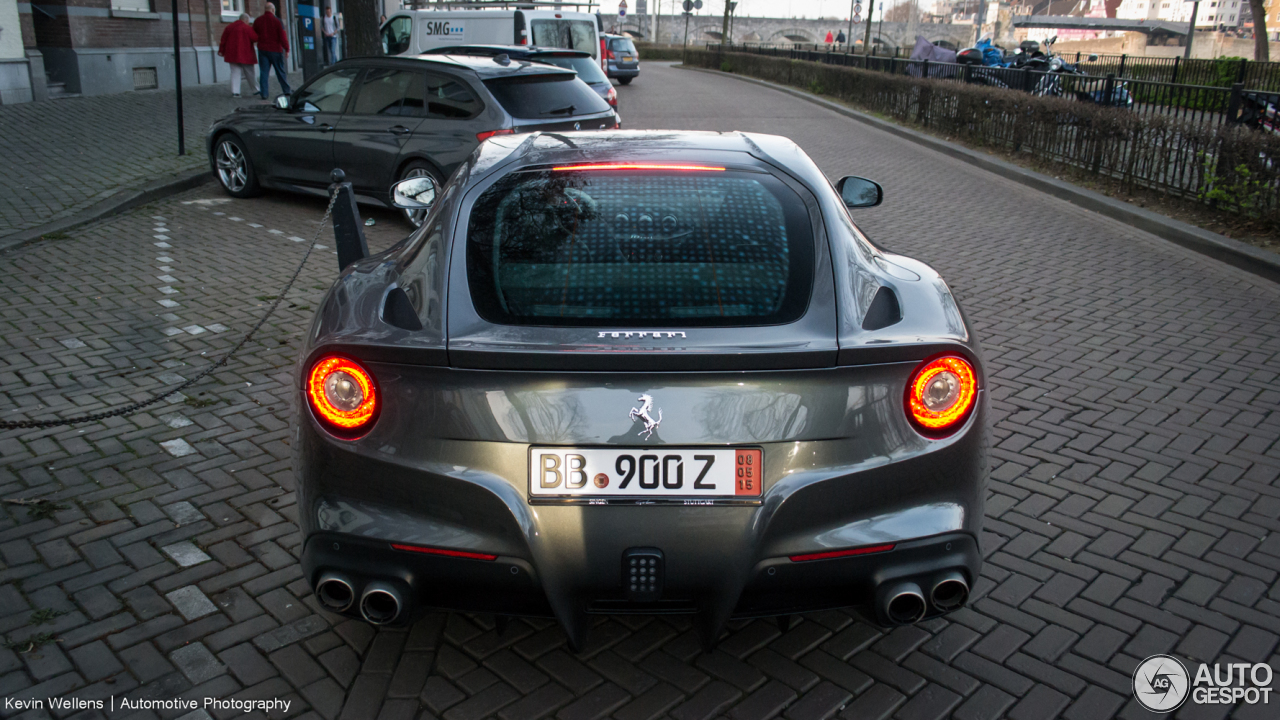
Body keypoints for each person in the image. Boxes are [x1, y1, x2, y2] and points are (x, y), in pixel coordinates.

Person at [254, 2, 292, 100]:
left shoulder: (258, 21)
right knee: (280, 71)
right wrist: (287, 48)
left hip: (262, 49)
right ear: (273, 10)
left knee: (264, 72)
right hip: (276, 50)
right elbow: (283, 37)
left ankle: (264, 93)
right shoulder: (277, 21)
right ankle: (286, 90)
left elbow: (254, 35)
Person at [218, 13, 259, 97]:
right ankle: (256, 89)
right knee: (250, 73)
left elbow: (223, 40)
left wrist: (221, 51)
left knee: (235, 72)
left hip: (232, 54)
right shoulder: (247, 28)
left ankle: (235, 92)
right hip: (246, 54)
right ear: (246, 20)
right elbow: (255, 38)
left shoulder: (229, 27)